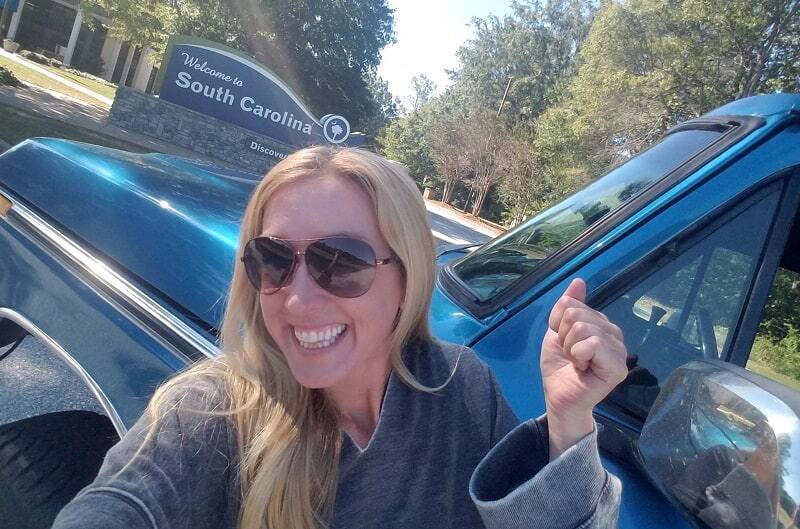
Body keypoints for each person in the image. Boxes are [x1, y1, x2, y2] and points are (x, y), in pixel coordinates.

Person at [52, 146, 629, 529]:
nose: (298, 299)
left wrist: (569, 420)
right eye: (273, 260)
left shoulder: (457, 385)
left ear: (405, 280)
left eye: (341, 262)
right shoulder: (213, 412)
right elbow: (120, 505)